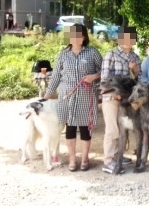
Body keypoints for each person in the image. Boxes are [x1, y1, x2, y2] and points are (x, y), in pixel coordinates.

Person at [44, 24, 102, 172]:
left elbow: (104, 71)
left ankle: (84, 159)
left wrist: (94, 76)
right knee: (69, 128)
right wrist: (48, 93)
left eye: (78, 35)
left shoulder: (92, 53)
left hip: (86, 95)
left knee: (85, 129)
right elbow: (56, 75)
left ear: (83, 37)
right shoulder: (63, 54)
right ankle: (72, 159)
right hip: (67, 96)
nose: (74, 38)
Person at [100, 26, 141, 174]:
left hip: (127, 99)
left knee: (123, 127)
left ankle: (119, 155)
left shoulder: (135, 57)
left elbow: (138, 80)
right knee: (112, 129)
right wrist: (116, 92)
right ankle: (109, 160)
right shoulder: (111, 54)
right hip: (111, 96)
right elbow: (104, 79)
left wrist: (135, 70)